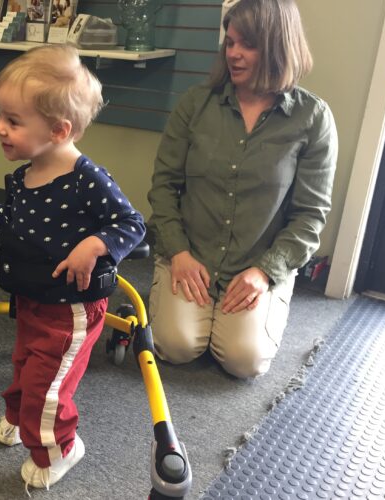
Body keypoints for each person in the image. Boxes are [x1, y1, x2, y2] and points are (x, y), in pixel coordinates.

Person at [0, 45, 145, 490]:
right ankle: (20, 420)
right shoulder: (26, 175)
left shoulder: (88, 178)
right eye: (0, 114)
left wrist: (95, 243)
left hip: (71, 308)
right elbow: (12, 214)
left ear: (59, 129)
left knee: (47, 387)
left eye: (13, 121)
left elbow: (132, 224)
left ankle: (63, 448)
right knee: (23, 367)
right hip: (32, 299)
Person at [146, 0, 338, 379]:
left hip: (256, 262)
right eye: (230, 42)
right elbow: (164, 187)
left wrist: (265, 272)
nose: (233, 53)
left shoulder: (313, 118)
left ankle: (267, 298)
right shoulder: (195, 105)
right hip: (191, 254)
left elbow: (310, 216)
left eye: (247, 44)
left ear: (278, 45)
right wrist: (179, 253)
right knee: (177, 346)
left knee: (243, 360)